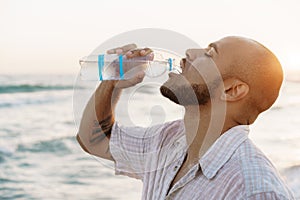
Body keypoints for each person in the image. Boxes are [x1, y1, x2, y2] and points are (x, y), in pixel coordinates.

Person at [76, 36, 295, 199]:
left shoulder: (253, 190)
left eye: (210, 53)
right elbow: (94, 141)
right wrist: (112, 82)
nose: (189, 52)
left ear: (231, 90)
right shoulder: (167, 140)